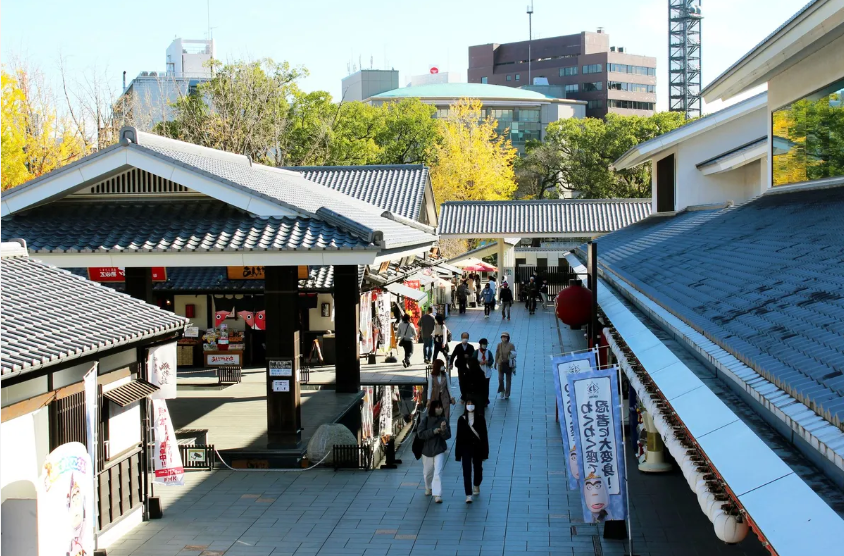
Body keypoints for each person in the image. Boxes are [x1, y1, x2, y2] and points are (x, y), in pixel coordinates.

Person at [455, 397, 489, 504]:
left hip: (477, 448)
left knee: (478, 468)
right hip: (465, 448)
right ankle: (468, 494)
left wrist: (485, 452)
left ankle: (476, 483)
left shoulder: (480, 418)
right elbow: (459, 437)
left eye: (471, 403)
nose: (470, 405)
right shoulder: (461, 419)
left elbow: (484, 436)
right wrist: (458, 454)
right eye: (468, 403)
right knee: (466, 471)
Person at [418, 399, 451, 503]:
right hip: (427, 450)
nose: (439, 409)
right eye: (437, 407)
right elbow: (420, 434)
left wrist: (443, 430)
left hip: (439, 449)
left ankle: (437, 494)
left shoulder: (444, 420)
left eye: (440, 407)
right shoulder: (426, 420)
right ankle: (428, 487)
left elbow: (448, 436)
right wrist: (433, 431)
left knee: (438, 471)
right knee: (427, 472)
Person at [449, 332, 475, 400]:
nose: (465, 339)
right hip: (460, 366)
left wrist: (469, 356)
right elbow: (453, 355)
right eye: (463, 337)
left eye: (466, 337)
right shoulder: (458, 346)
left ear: (468, 338)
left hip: (468, 367)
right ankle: (463, 395)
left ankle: (467, 394)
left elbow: (474, 356)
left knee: (468, 381)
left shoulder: (470, 347)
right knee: (461, 381)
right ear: (461, 338)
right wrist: (451, 363)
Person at [471, 338, 495, 404]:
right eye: (484, 344)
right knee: (479, 387)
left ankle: (485, 400)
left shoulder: (488, 352)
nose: (485, 345)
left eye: (486, 344)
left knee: (486, 387)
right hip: (478, 373)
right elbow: (472, 361)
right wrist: (479, 363)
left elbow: (492, 360)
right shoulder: (477, 352)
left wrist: (488, 362)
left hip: (487, 372)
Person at [494, 332, 517, 400]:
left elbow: (514, 354)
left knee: (508, 380)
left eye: (505, 337)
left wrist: (510, 355)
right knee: (500, 378)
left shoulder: (511, 345)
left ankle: (507, 393)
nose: (504, 338)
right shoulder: (499, 345)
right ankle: (502, 390)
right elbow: (497, 353)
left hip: (508, 364)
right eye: (502, 337)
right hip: (500, 363)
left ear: (508, 338)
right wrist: (495, 362)